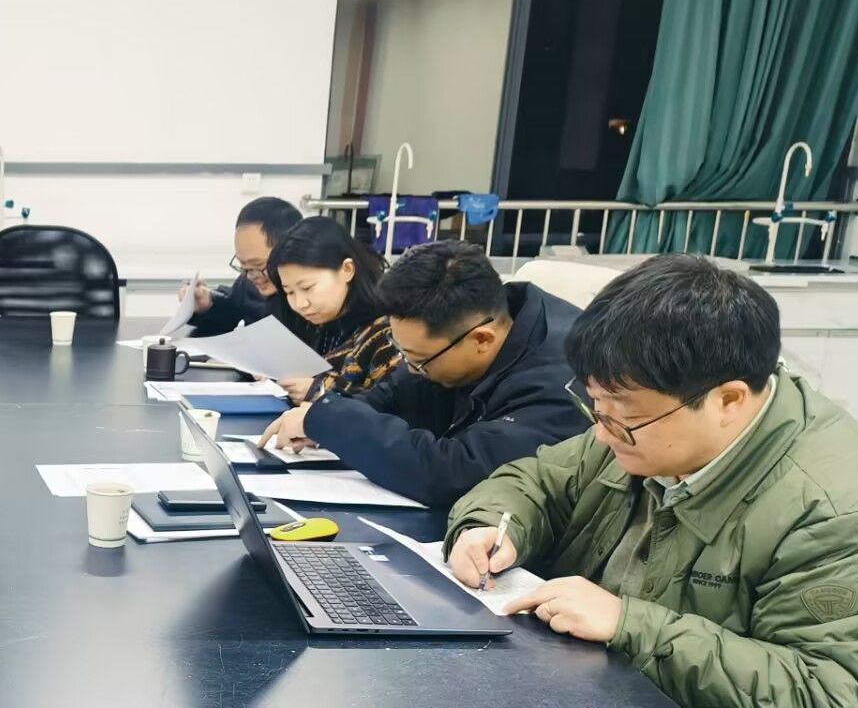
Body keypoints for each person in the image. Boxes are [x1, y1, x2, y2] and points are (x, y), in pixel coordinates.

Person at [445, 254, 858, 708]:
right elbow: (537, 480)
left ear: (728, 400)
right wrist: (492, 525)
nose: (603, 433)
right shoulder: (642, 428)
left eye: (624, 417)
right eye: (595, 406)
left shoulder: (835, 511)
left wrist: (629, 625)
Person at [260, 240, 589, 507]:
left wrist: (337, 422)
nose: (410, 367)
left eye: (419, 359)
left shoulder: (565, 381)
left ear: (481, 340)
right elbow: (396, 391)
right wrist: (328, 418)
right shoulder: (471, 317)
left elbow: (455, 474)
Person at [263, 216, 398, 403]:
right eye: (289, 292)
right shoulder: (315, 322)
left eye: (307, 287)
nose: (300, 303)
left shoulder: (388, 332)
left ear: (347, 269)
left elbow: (390, 405)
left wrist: (320, 392)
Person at [181, 196, 304, 336]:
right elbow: (232, 310)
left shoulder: (311, 297)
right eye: (243, 265)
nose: (251, 276)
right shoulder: (249, 282)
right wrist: (207, 306)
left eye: (258, 265)